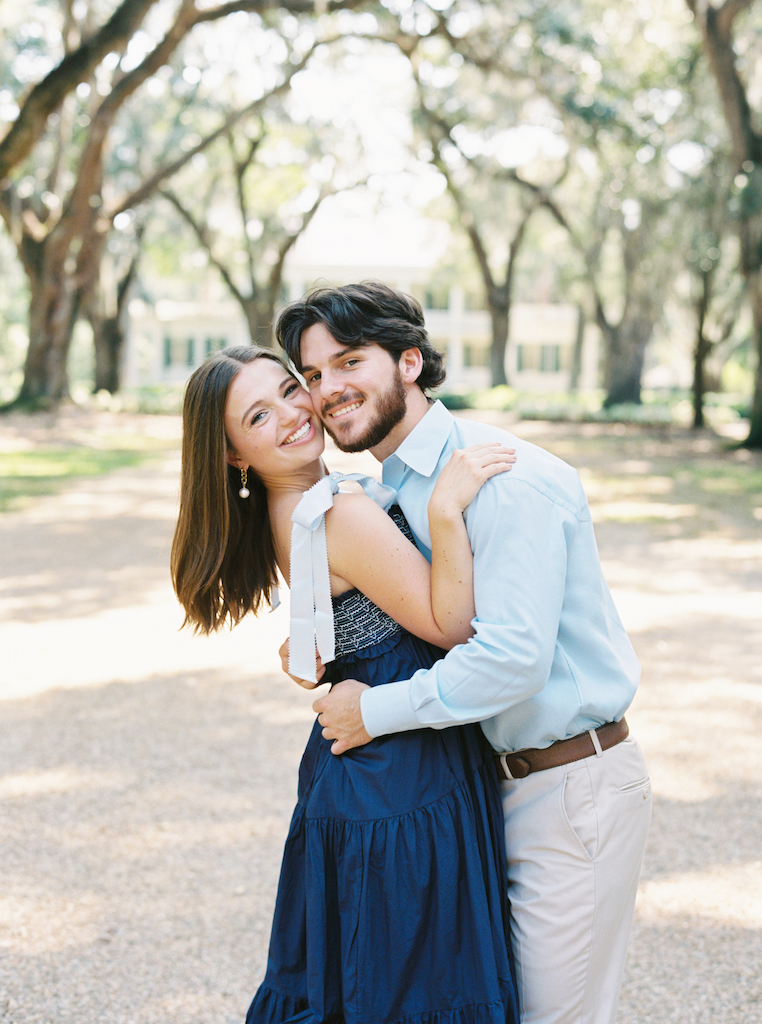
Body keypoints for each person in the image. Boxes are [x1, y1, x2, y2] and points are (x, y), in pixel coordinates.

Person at [276, 282, 653, 1024]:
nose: (327, 391)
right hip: (477, 797)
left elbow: (512, 659)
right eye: (312, 375)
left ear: (409, 361)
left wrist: (371, 713)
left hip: (568, 786)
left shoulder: (503, 477)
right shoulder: (392, 492)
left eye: (348, 362)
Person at [169, 345, 520, 1024]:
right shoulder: (335, 512)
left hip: (366, 772)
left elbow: (326, 633)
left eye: (289, 389)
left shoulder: (293, 512)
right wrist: (446, 511)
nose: (295, 413)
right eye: (258, 416)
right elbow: (452, 626)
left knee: (371, 987)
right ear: (234, 456)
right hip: (403, 775)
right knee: (420, 989)